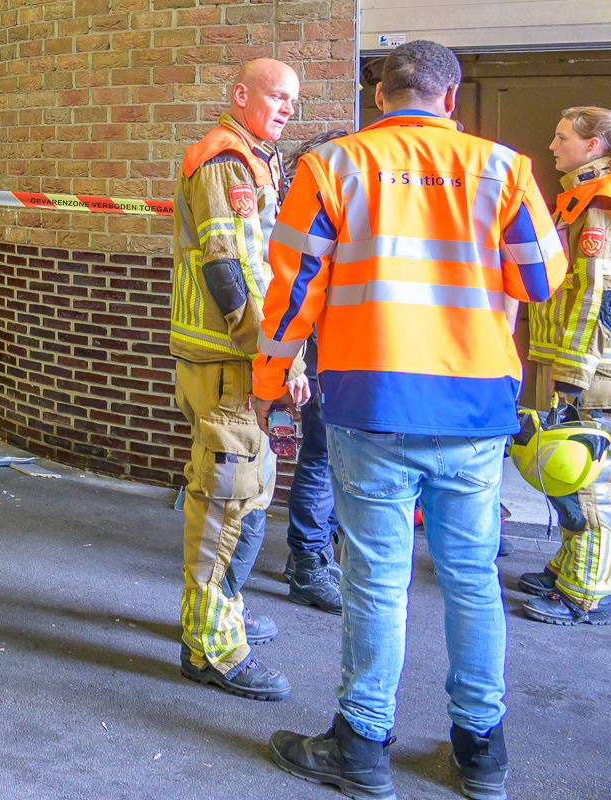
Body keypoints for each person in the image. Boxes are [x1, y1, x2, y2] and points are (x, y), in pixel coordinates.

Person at [251, 40, 565, 800]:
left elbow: (292, 293)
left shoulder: (334, 167)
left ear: (382, 95)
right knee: (469, 582)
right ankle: (480, 752)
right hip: (475, 406)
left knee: (376, 582)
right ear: (450, 100)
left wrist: (269, 382)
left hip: (374, 403)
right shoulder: (506, 169)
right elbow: (540, 276)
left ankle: (361, 744)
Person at [170, 57, 301, 700]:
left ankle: (221, 612)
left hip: (240, 357)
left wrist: (282, 356)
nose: (286, 109)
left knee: (247, 493)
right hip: (229, 359)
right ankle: (211, 648)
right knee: (226, 502)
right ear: (241, 94)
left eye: (293, 102)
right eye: (277, 97)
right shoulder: (226, 161)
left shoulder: (254, 159)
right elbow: (230, 269)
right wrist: (270, 357)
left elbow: (261, 267)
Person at [516, 107, 611, 626]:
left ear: (593, 146)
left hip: (592, 373)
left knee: (589, 479)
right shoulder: (581, 197)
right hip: (570, 367)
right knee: (565, 471)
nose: (553, 146)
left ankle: (588, 591)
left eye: (562, 137)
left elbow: (603, 296)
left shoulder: (607, 202)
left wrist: (574, 375)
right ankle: (571, 564)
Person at [278, 130, 351, 615]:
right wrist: (293, 366)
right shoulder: (307, 207)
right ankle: (306, 561)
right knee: (322, 457)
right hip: (322, 353)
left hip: (349, 351)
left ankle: (316, 552)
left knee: (336, 460)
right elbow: (290, 292)